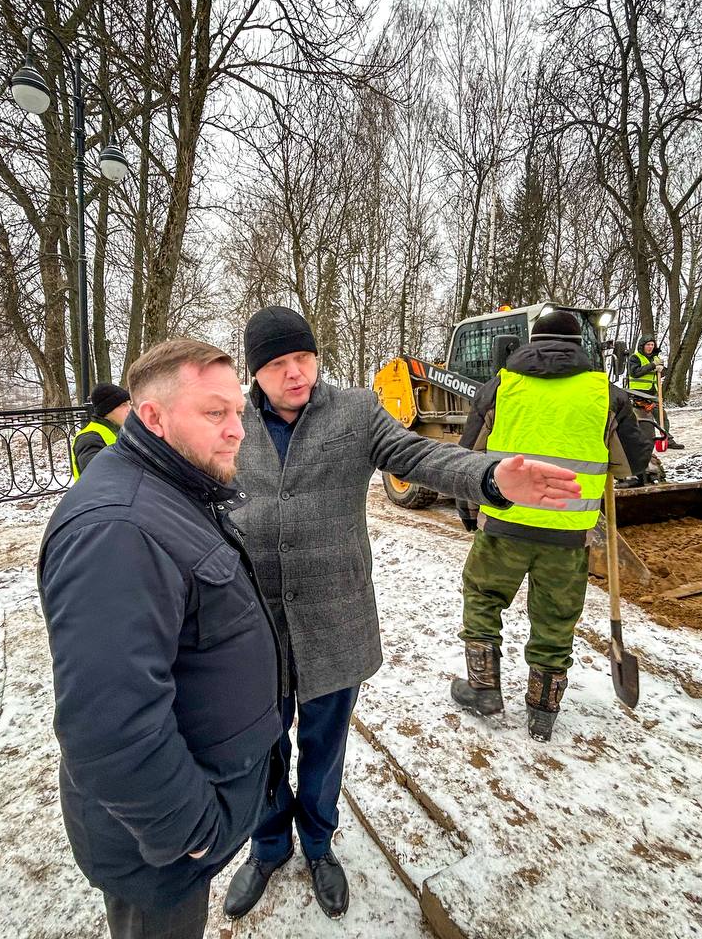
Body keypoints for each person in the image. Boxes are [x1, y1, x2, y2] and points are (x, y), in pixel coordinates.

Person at [222, 306, 581, 922]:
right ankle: (267, 845)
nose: (295, 373)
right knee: (260, 748)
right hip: (254, 626)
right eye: (277, 364)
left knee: (323, 745)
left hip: (335, 619)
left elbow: (420, 458)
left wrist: (492, 476)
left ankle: (317, 843)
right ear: (254, 373)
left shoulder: (355, 413)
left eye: (303, 358)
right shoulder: (229, 425)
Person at [39, 339, 283, 939]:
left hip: (177, 824)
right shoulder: (119, 529)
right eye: (214, 413)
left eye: (238, 413)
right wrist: (191, 832)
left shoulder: (173, 488)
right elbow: (108, 725)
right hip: (157, 852)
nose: (236, 432)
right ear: (152, 417)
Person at [451, 311, 653, 742]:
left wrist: (469, 512)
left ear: (532, 339)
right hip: (567, 536)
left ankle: (483, 688)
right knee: (556, 619)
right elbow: (635, 463)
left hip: (503, 524)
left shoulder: (502, 387)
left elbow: (465, 459)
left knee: (483, 599)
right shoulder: (606, 394)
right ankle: (543, 710)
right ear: (579, 342)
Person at [626, 335, 682, 449]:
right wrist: (652, 366)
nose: (650, 347)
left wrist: (662, 369)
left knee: (662, 416)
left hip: (652, 394)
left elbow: (663, 373)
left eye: (652, 345)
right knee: (640, 418)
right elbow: (634, 373)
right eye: (648, 345)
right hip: (637, 394)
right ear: (642, 346)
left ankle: (666, 439)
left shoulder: (656, 358)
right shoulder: (635, 358)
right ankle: (636, 442)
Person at [70, 381, 131, 480]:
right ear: (107, 409)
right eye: (123, 405)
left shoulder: (119, 431)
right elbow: (99, 477)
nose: (130, 409)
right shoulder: (89, 439)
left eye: (129, 403)